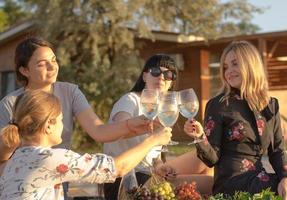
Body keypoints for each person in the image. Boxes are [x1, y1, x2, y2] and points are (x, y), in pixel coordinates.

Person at [0, 37, 153, 199]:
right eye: (42, 63)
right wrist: (152, 141)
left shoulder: (69, 92)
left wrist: (134, 125)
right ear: (24, 70)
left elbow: (99, 131)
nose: (52, 67)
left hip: (59, 179)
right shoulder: (10, 104)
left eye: (53, 60)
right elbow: (116, 168)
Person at [0, 90, 172, 200]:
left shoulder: (15, 159)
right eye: (61, 119)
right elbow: (117, 168)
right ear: (48, 125)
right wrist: (154, 140)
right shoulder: (50, 158)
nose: (64, 124)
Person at [184, 41, 287, 200]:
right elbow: (212, 159)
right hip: (231, 185)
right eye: (225, 67)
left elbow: (277, 151)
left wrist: (285, 178)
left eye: (235, 64)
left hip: (259, 178)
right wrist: (199, 137)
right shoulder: (218, 104)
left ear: (251, 65)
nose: (229, 71)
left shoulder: (270, 105)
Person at [103, 54, 179, 200]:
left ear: (171, 82)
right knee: (203, 183)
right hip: (124, 179)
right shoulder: (130, 100)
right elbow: (119, 131)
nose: (161, 77)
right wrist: (154, 137)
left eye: (168, 74)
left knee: (203, 171)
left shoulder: (162, 110)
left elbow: (153, 155)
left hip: (146, 175)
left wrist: (159, 166)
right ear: (145, 76)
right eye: (156, 72)